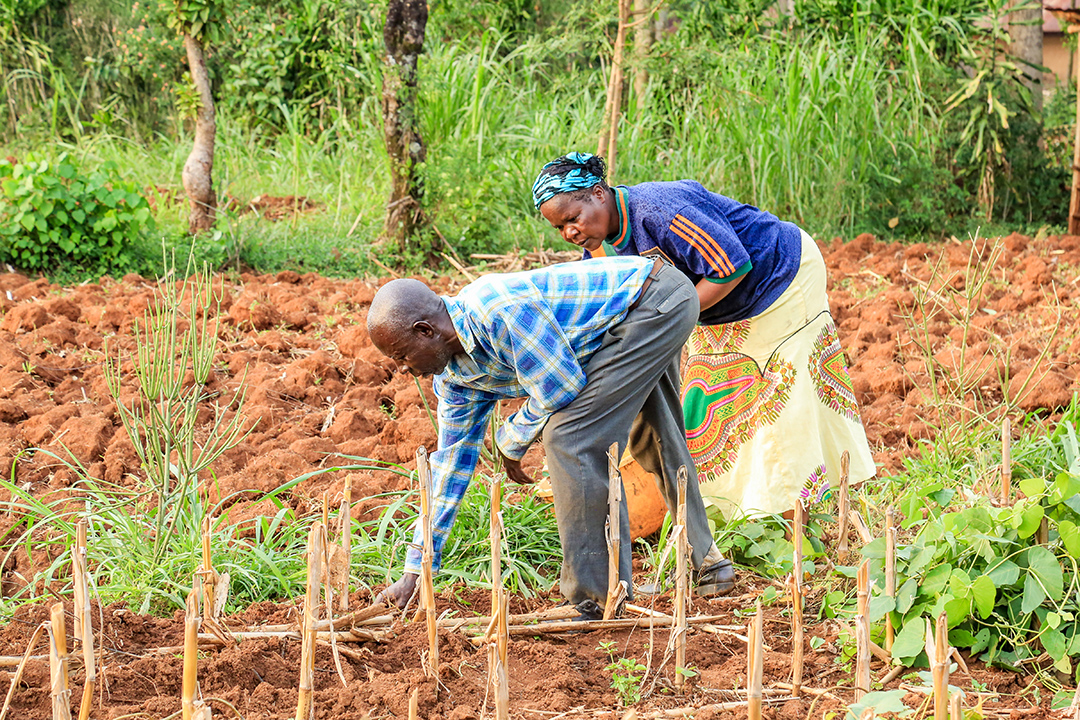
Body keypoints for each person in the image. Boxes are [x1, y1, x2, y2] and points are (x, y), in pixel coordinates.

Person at [367, 256, 736, 618]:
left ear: (425, 331)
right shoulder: (454, 380)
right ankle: (708, 564)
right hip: (624, 321)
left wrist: (511, 440)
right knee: (653, 434)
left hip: (654, 301)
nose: (403, 370)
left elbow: (560, 388)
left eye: (401, 356)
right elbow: (449, 470)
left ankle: (595, 598)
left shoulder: (497, 310)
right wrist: (416, 571)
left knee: (571, 438)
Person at [532, 152, 876, 521]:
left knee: (781, 399)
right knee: (705, 408)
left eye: (573, 219)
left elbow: (731, 265)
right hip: (715, 308)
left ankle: (793, 514)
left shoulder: (658, 211)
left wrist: (668, 320)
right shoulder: (599, 250)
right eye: (560, 228)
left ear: (599, 193)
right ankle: (730, 515)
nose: (570, 232)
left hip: (779, 279)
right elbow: (603, 311)